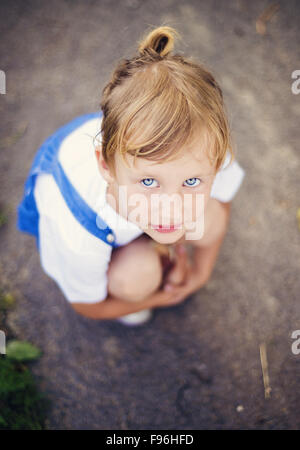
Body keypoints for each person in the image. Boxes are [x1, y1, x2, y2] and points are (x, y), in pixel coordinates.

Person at [16, 25, 245, 326]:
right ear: (106, 166)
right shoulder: (78, 232)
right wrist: (161, 297)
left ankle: (161, 244)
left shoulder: (201, 147)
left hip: (130, 188)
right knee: (133, 281)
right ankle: (144, 269)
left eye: (191, 182)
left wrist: (200, 273)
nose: (171, 206)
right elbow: (87, 306)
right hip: (89, 204)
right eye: (149, 182)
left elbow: (223, 198)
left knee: (210, 219)